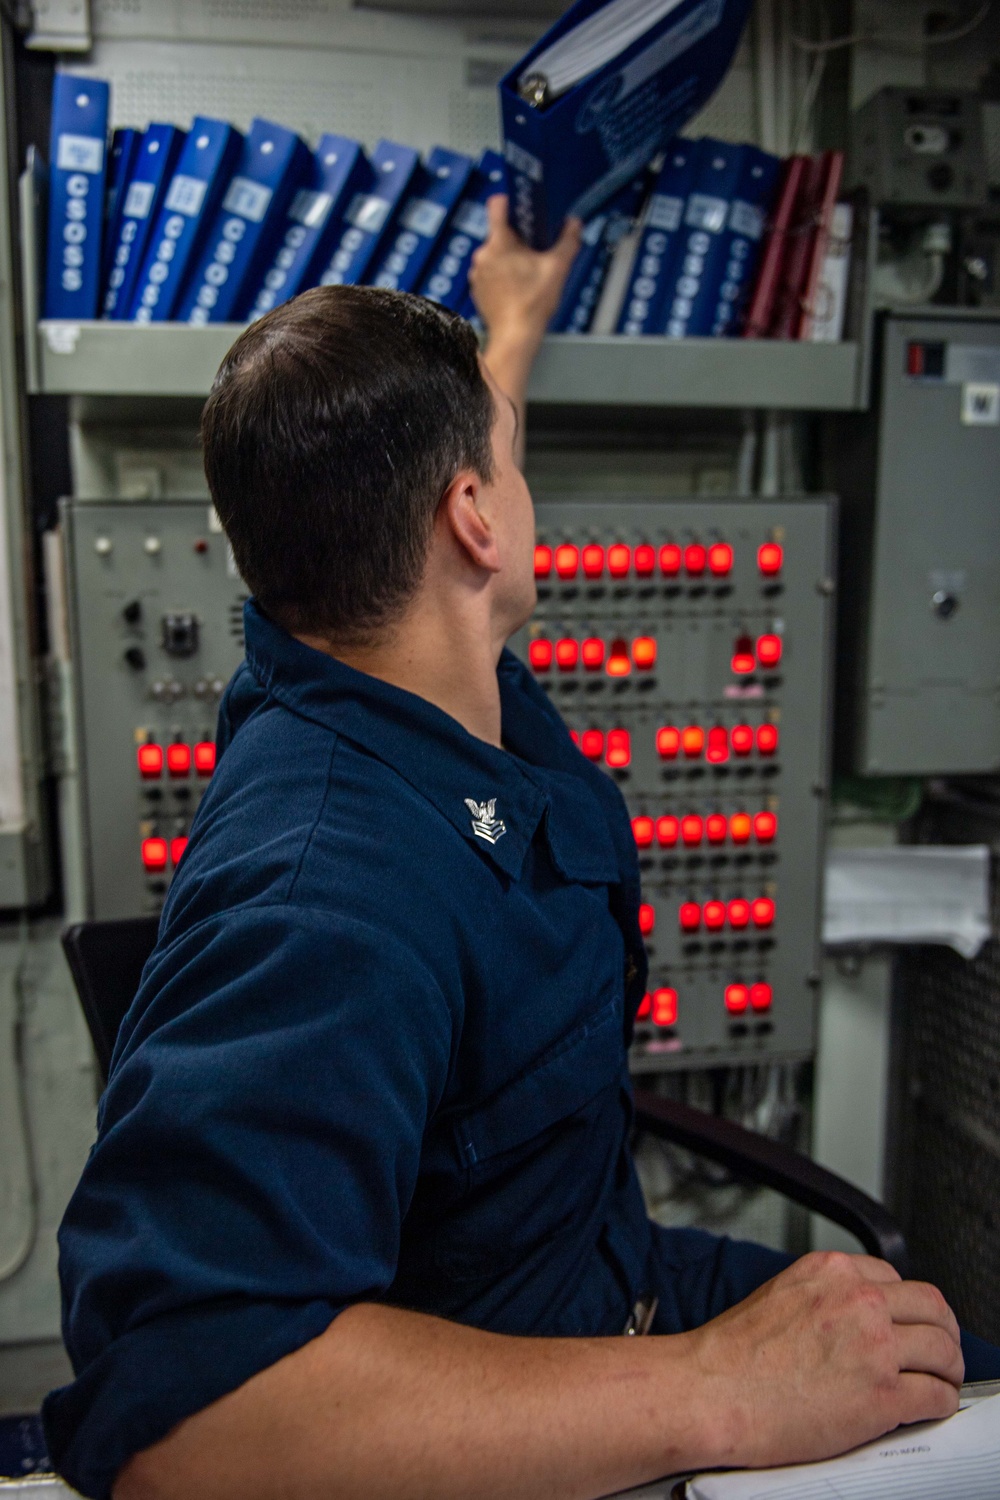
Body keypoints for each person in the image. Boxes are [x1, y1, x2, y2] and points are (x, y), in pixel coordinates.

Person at [45, 198, 994, 1500]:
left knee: (960, 1355)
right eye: (505, 472)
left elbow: (448, 465)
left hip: (602, 1273)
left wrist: (515, 321)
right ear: (476, 522)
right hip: (538, 1382)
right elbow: (187, 1423)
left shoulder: (407, 660)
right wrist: (721, 1389)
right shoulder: (328, 890)